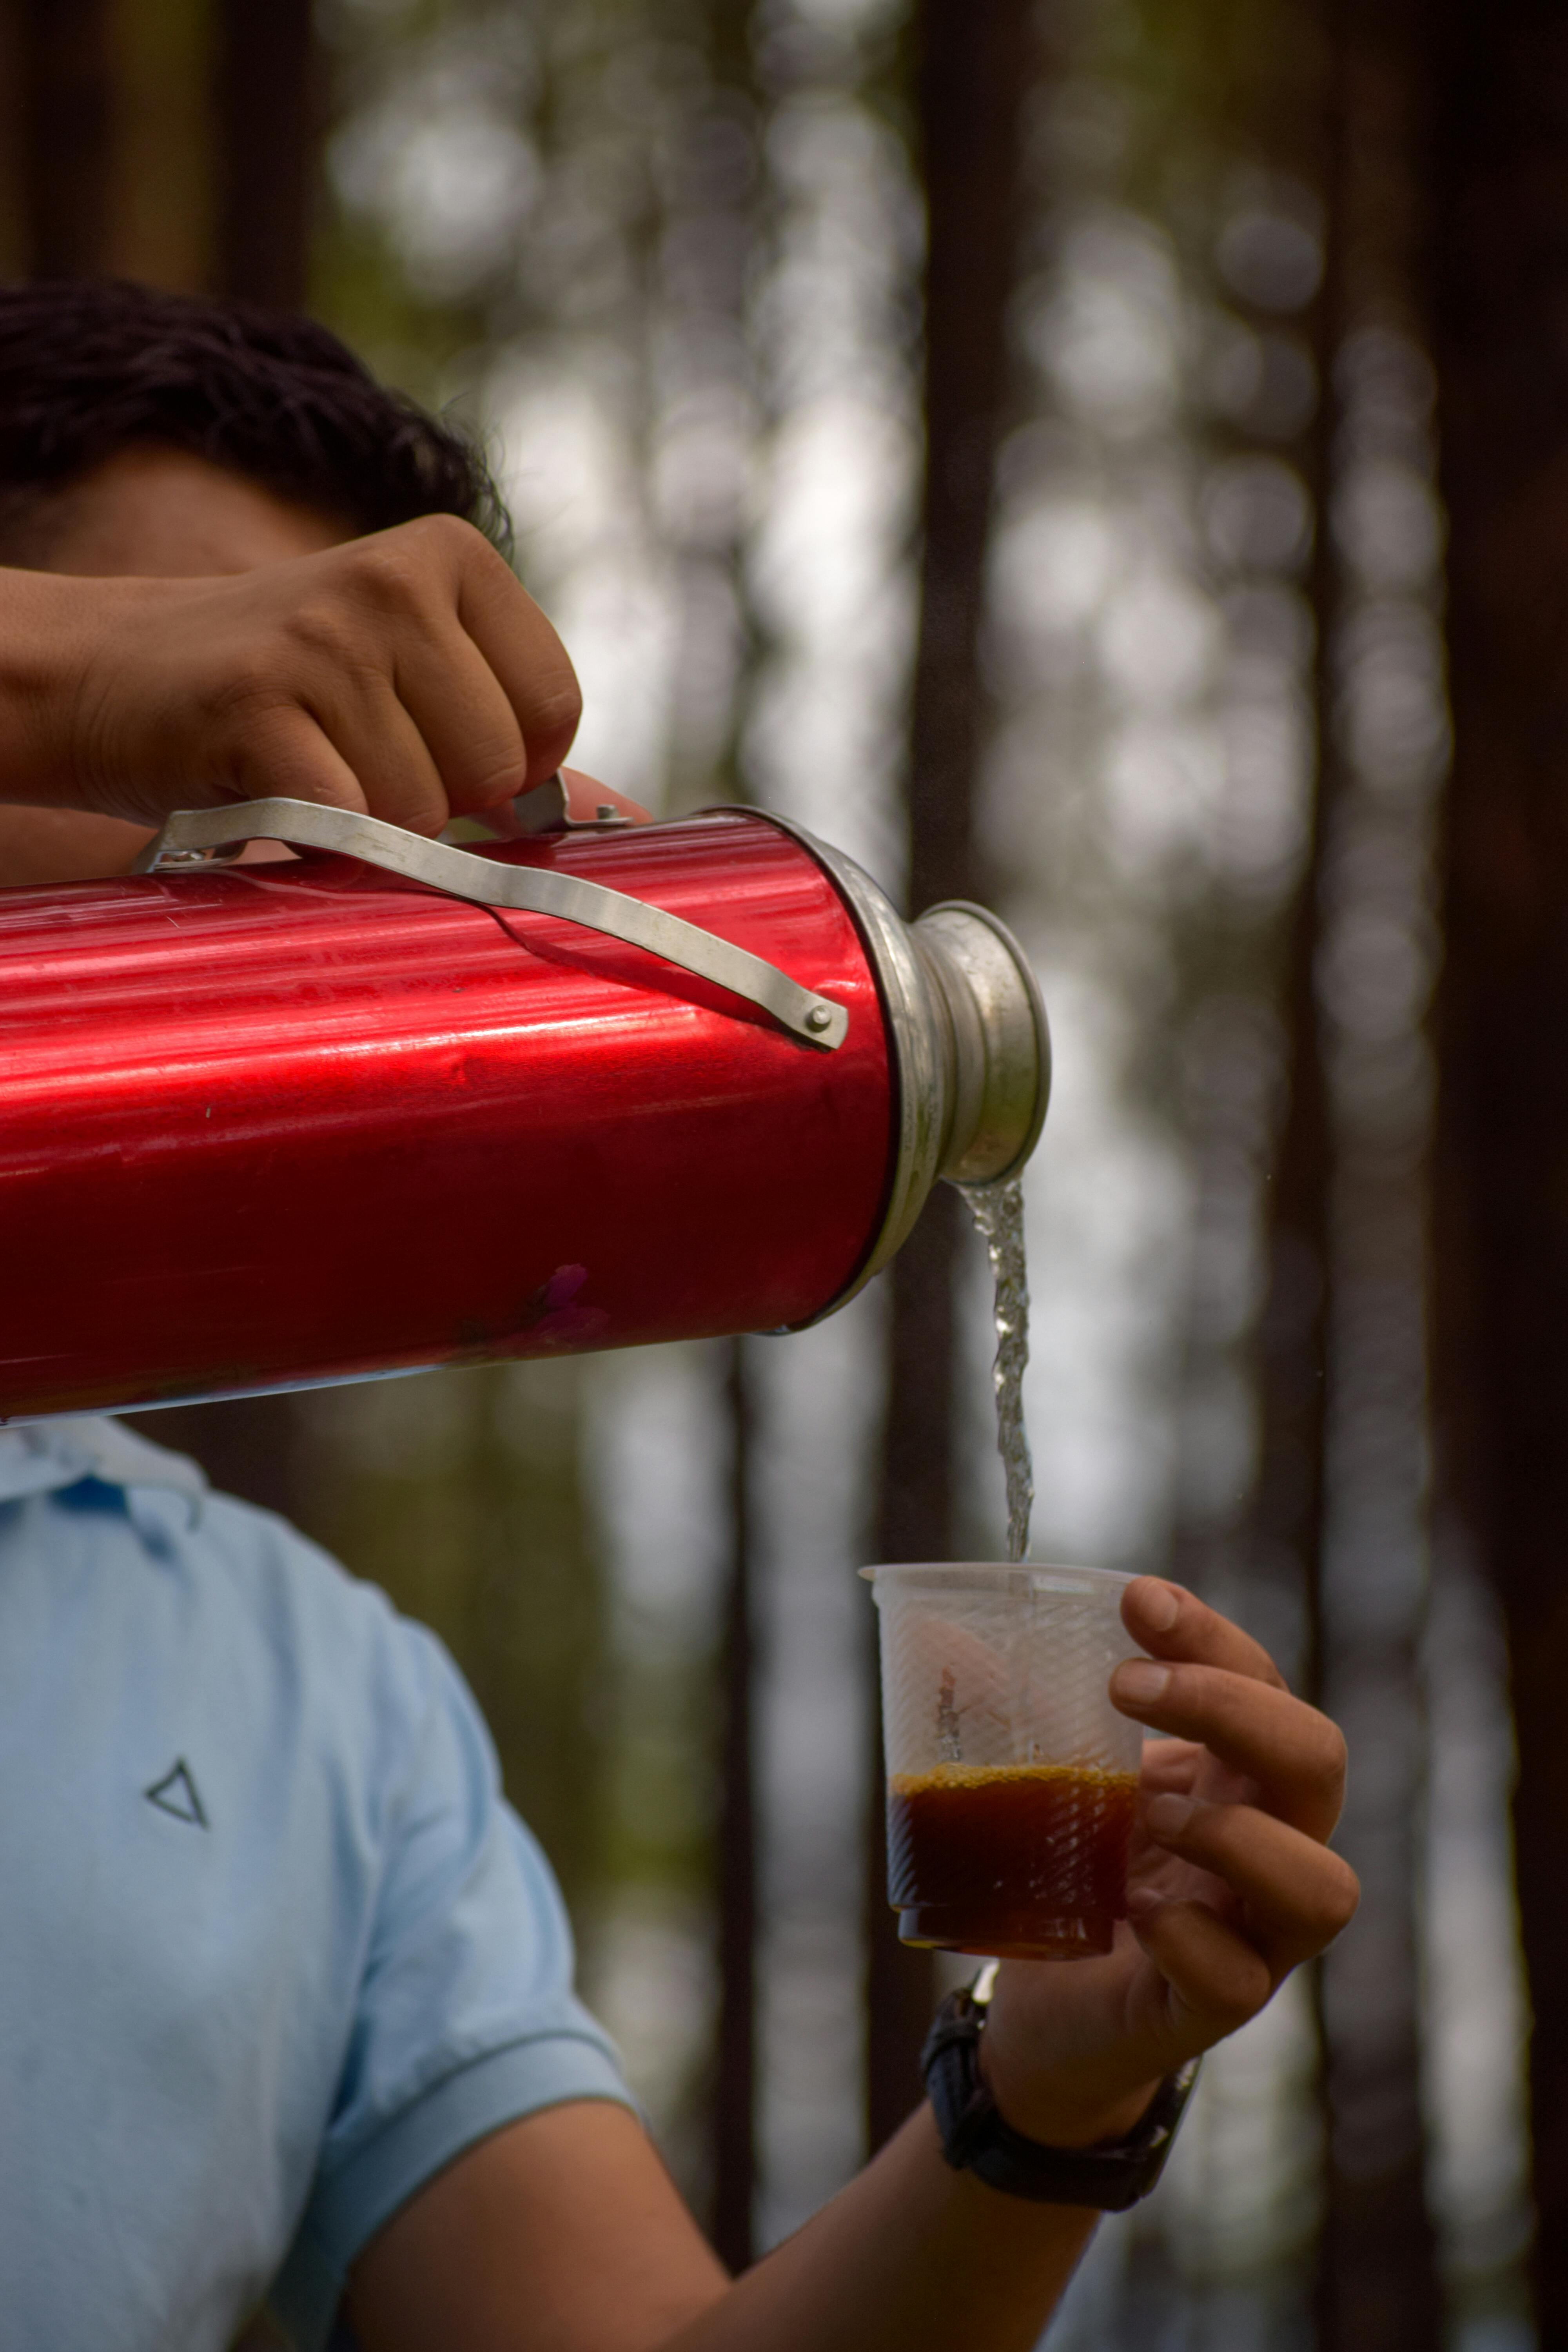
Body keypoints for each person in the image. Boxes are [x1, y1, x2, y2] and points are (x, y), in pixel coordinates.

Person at [0, 281, 1359, 2352]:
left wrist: (1040, 2104)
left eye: (309, 828)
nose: (234, 881)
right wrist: (78, 666)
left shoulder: (314, 1703)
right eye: (173, 750)